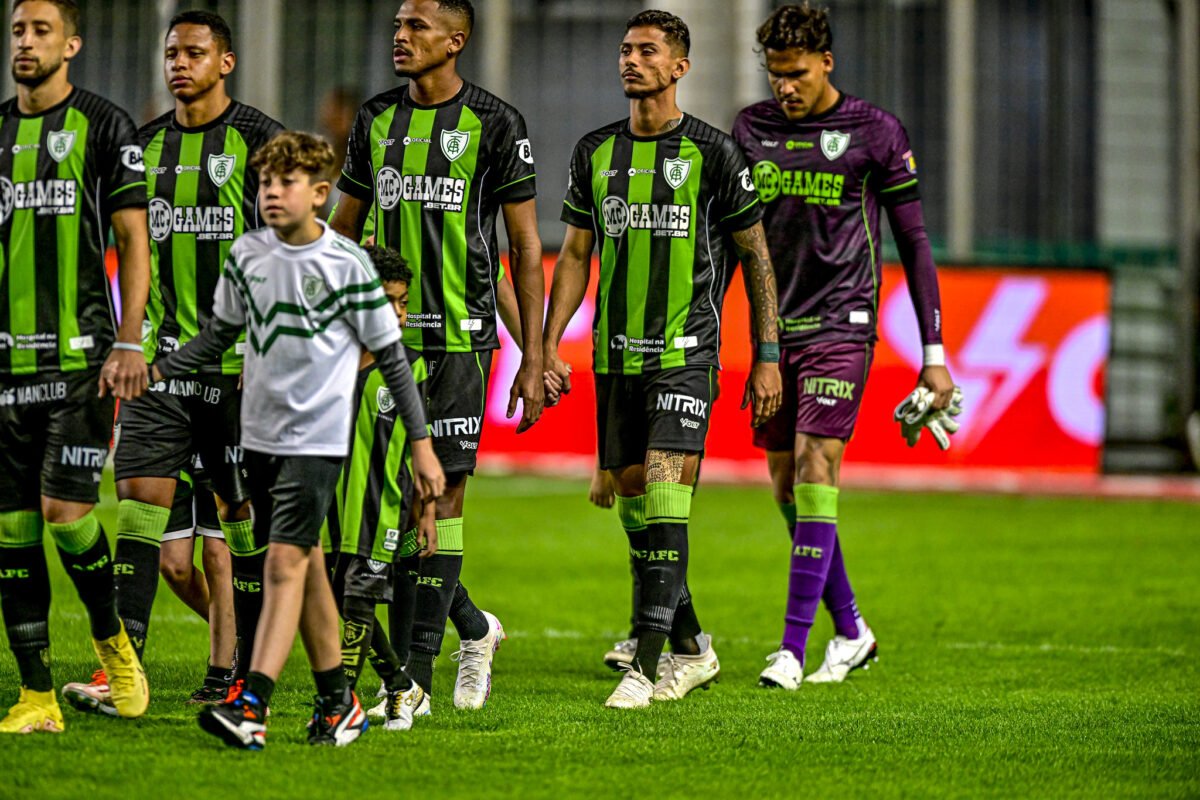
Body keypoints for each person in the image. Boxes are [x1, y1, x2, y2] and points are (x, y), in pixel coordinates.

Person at [151, 131, 444, 749]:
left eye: (285, 184)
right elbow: (216, 338)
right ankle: (339, 701)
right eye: (263, 183)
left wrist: (420, 445)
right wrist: (153, 369)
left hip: (317, 439)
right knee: (306, 563)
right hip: (258, 436)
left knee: (283, 560)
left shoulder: (346, 265)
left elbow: (392, 358)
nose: (271, 194)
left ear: (319, 193)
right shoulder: (248, 256)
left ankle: (252, 701)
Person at [542, 9, 783, 709]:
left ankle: (646, 666)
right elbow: (577, 254)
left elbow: (756, 257)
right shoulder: (595, 151)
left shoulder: (713, 153)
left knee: (669, 496)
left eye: (647, 51)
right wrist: (549, 343)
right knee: (631, 494)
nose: (631, 60)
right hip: (614, 358)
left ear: (680, 67)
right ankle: (691, 645)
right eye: (625, 49)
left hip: (686, 354)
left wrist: (766, 356)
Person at [60, 9, 283, 716]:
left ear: (227, 62)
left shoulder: (259, 140)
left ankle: (237, 669)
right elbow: (126, 250)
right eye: (171, 53)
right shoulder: (142, 147)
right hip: (158, 368)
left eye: (194, 52)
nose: (178, 64)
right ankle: (121, 671)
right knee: (149, 525)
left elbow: (291, 249)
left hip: (238, 371)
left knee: (230, 539)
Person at [732, 3, 959, 689]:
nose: (785, 89)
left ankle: (791, 651)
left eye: (797, 74)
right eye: (775, 76)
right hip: (776, 331)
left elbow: (915, 243)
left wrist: (935, 353)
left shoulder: (876, 132)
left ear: (826, 62)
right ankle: (852, 629)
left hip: (844, 323)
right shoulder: (751, 128)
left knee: (814, 463)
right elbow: (734, 239)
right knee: (785, 485)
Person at [330, 0, 544, 711]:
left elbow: (517, 252)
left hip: (456, 344)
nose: (400, 35)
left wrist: (534, 353)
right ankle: (474, 630)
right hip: (378, 344)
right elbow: (344, 230)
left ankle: (414, 679)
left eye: (416, 26)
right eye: (397, 24)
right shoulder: (374, 120)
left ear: (455, 41)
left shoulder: (496, 123)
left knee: (440, 497)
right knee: (384, 510)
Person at [0, 0, 151, 734]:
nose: (26, 44)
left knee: (67, 514)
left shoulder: (104, 125)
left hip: (82, 360)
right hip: (6, 364)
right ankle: (35, 696)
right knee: (12, 529)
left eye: (40, 32)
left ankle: (111, 637)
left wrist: (129, 342)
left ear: (72, 44)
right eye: (18, 32)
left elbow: (135, 237)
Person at [328, 244, 438, 732]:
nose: (397, 312)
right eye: (387, 300)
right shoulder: (329, 357)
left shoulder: (409, 366)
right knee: (338, 600)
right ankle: (400, 685)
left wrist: (427, 514)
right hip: (330, 506)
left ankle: (339, 706)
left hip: (381, 510)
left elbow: (421, 450)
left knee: (356, 602)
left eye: (404, 301)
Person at [156, 462, 237, 705]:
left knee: (217, 553)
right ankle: (241, 637)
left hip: (215, 440)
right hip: (173, 439)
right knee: (172, 564)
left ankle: (219, 677)